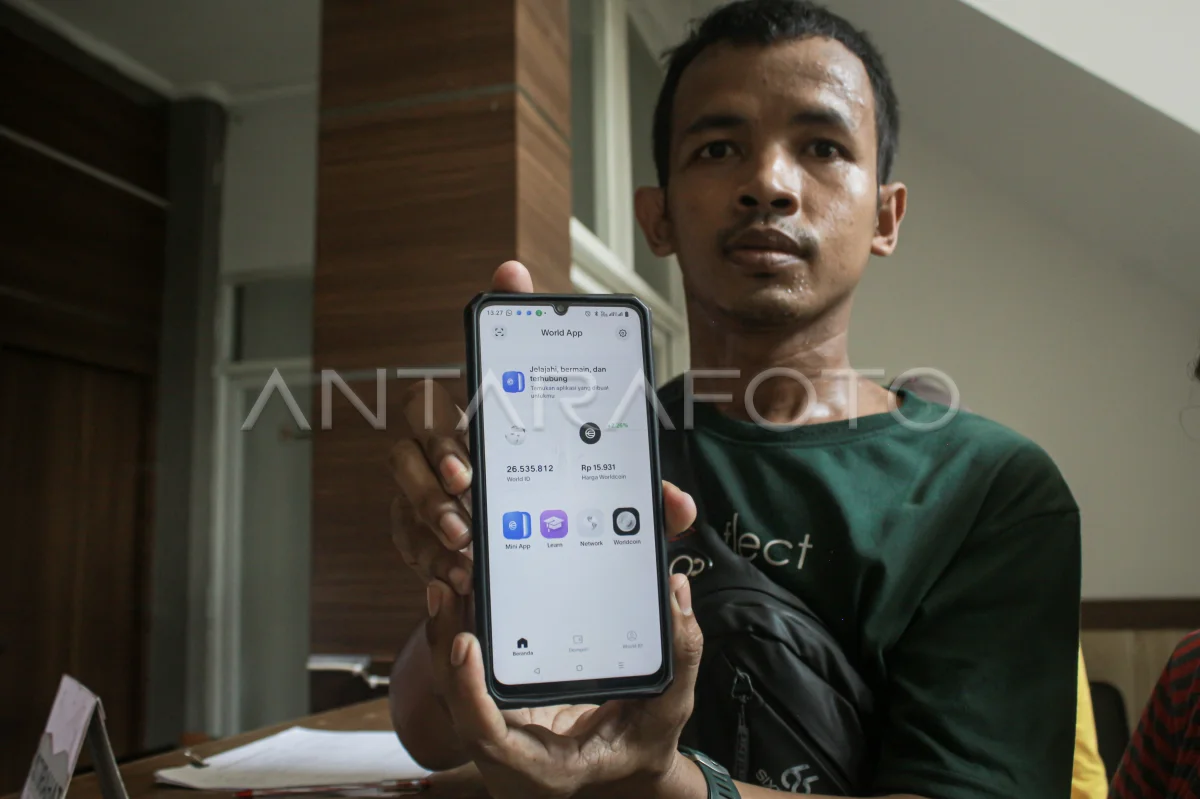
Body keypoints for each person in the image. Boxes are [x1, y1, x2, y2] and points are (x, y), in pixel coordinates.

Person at [387, 1, 1082, 797]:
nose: (768, 185)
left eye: (822, 147)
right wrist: (468, 560)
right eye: (718, 148)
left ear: (885, 216)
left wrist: (665, 783)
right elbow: (426, 728)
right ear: (657, 218)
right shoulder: (598, 447)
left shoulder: (990, 488)